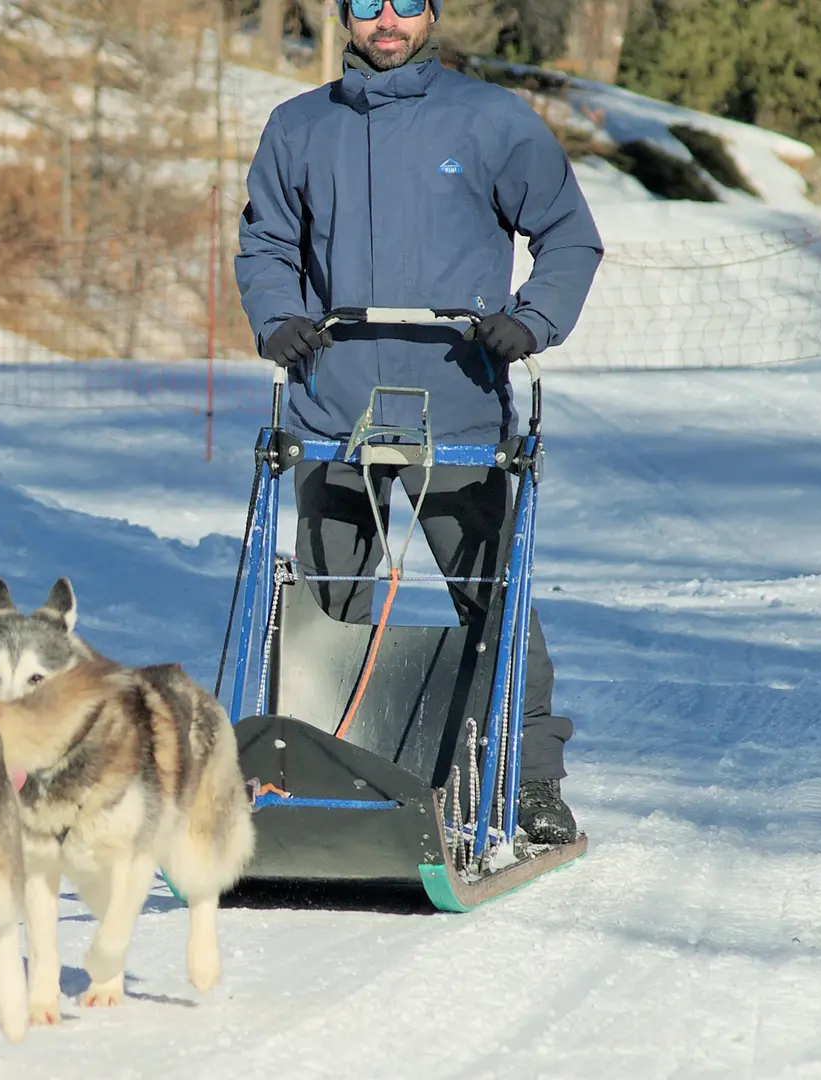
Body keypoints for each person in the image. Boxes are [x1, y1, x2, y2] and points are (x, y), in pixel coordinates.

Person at [234, 0, 603, 845]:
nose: (386, 19)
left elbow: (569, 238)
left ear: (432, 14)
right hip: (335, 407)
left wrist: (529, 320)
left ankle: (528, 778)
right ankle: (316, 771)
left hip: (457, 403)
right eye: (367, 4)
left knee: (491, 597)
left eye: (406, 2)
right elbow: (266, 247)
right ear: (343, 16)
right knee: (324, 606)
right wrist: (279, 319)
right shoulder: (299, 127)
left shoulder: (490, 121)